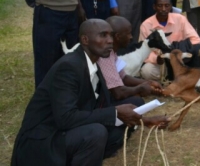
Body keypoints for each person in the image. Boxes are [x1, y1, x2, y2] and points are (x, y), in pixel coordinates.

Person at [11, 19, 170, 166]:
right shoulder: (68, 67)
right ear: (85, 40)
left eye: (111, 35)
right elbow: (65, 118)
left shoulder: (93, 61)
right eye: (103, 35)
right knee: (96, 132)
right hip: (43, 140)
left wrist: (146, 120)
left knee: (118, 124)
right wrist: (115, 113)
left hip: (65, 127)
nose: (110, 40)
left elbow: (101, 104)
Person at [98, 16, 163, 102]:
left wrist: (149, 83)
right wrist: (139, 89)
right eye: (128, 33)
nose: (131, 37)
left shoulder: (111, 52)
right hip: (99, 101)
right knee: (137, 101)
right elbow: (118, 93)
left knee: (136, 100)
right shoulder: (105, 56)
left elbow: (123, 77)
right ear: (118, 37)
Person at [139, 0, 200, 81]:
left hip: (181, 59)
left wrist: (179, 50)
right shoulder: (146, 25)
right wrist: (157, 59)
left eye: (167, 6)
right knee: (147, 71)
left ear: (171, 6)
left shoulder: (180, 19)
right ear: (154, 7)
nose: (163, 9)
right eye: (160, 6)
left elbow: (195, 39)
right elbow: (144, 51)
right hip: (162, 62)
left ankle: (181, 76)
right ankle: (178, 77)